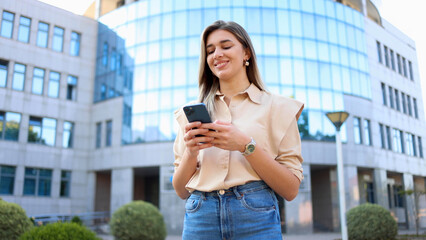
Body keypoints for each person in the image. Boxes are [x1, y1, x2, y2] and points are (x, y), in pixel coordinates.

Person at [173, 20, 304, 239]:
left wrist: (246, 146)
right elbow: (180, 190)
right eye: (210, 50)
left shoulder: (280, 108)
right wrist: (191, 152)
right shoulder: (189, 114)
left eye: (226, 46)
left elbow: (290, 190)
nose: (217, 54)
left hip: (255, 217)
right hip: (200, 216)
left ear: (246, 53)